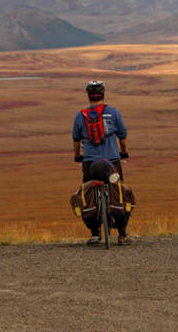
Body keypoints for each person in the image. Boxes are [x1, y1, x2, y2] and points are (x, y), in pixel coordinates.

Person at [72, 80, 131, 245]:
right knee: (120, 193)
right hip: (111, 161)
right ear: (103, 94)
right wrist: (124, 152)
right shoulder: (113, 113)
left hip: (90, 163)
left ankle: (95, 233)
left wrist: (78, 156)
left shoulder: (80, 116)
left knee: (87, 194)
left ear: (88, 96)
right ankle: (122, 233)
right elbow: (122, 135)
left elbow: (76, 140)